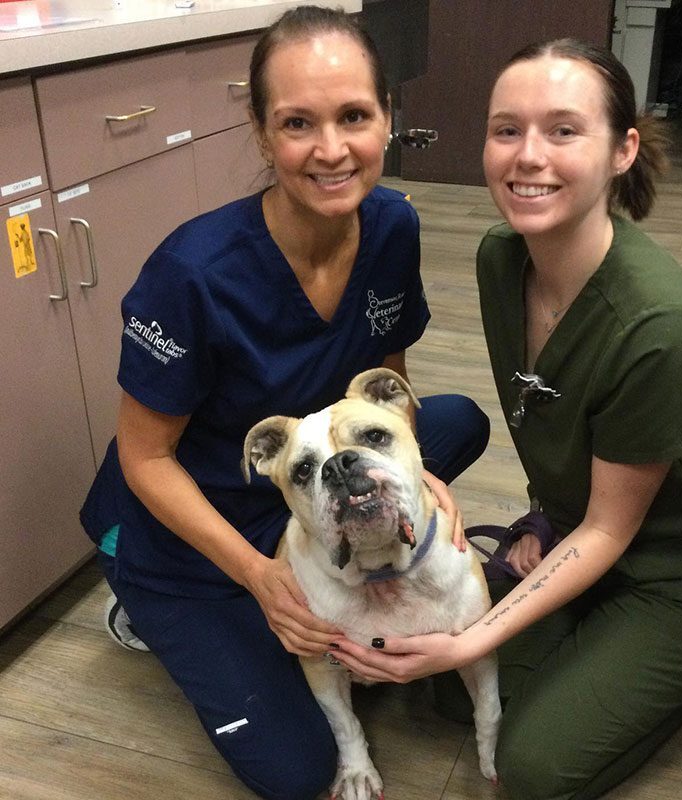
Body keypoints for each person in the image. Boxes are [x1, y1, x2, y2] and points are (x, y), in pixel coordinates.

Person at [331, 39, 682, 800]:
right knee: (445, 690)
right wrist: (546, 514)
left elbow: (614, 530)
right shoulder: (501, 260)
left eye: (564, 131)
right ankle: (600, 644)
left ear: (621, 149)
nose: (526, 156)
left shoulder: (655, 325)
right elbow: (556, 422)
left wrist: (474, 635)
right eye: (507, 130)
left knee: (535, 770)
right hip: (586, 529)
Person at [79, 7, 489, 799]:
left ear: (387, 119)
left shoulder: (392, 225)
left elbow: (386, 376)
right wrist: (262, 578)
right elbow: (144, 456)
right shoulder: (193, 274)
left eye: (354, 117)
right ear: (263, 135)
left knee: (454, 424)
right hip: (189, 533)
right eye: (298, 123)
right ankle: (149, 612)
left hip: (302, 486)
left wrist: (419, 483)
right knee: (301, 774)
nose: (331, 150)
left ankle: (318, 567)